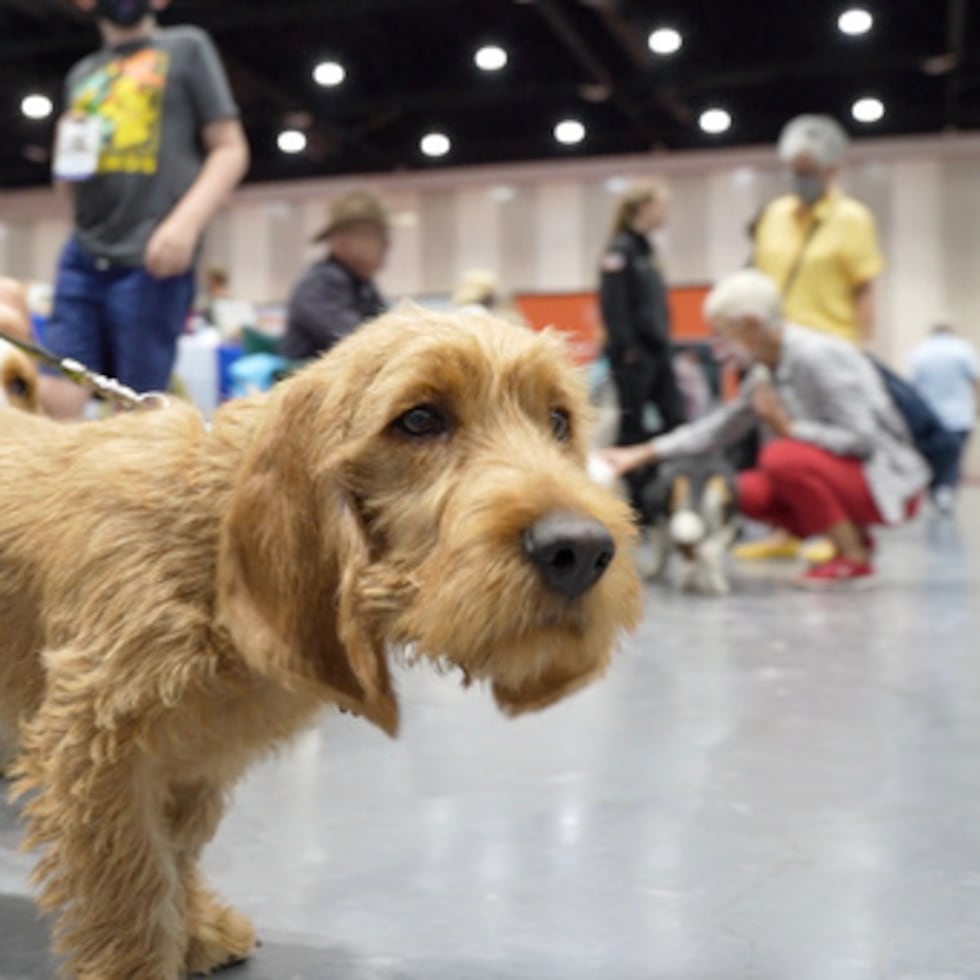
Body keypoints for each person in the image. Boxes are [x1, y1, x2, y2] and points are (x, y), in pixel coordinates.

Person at [601, 269, 929, 589]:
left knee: (781, 458)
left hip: (886, 480)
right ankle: (856, 537)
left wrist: (789, 428)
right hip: (846, 473)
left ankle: (853, 556)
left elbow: (863, 440)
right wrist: (643, 452)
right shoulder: (765, 367)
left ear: (752, 325)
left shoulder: (817, 356)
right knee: (741, 490)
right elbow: (718, 428)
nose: (719, 344)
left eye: (723, 332)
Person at [41, 0, 249, 420]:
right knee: (56, 386)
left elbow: (230, 148)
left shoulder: (186, 46)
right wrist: (66, 159)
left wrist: (185, 225)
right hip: (83, 252)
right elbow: (69, 181)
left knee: (136, 402)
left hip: (152, 257)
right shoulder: (81, 74)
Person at [741, 114, 885, 561]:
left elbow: (864, 289)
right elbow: (762, 283)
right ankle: (789, 533)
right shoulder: (775, 217)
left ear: (832, 169)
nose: (798, 179)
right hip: (778, 349)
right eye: (794, 170)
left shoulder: (853, 219)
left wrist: (861, 348)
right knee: (775, 441)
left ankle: (845, 534)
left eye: (808, 171)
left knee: (827, 443)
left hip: (830, 351)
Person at [599, 181, 685, 447]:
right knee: (632, 424)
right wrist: (626, 346)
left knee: (676, 417)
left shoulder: (647, 250)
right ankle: (633, 484)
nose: (665, 214)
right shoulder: (620, 250)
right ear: (644, 208)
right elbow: (613, 304)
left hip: (658, 348)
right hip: (635, 354)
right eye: (661, 207)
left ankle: (666, 479)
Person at [279, 189, 389, 361]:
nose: (386, 243)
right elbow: (362, 344)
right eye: (372, 234)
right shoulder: (320, 284)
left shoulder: (363, 286)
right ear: (339, 240)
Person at [908, 323, 979, 512]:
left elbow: (912, 387)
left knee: (933, 458)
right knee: (955, 457)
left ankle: (937, 491)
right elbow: (976, 380)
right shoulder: (963, 349)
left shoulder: (920, 352)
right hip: (959, 416)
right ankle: (946, 492)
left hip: (930, 417)